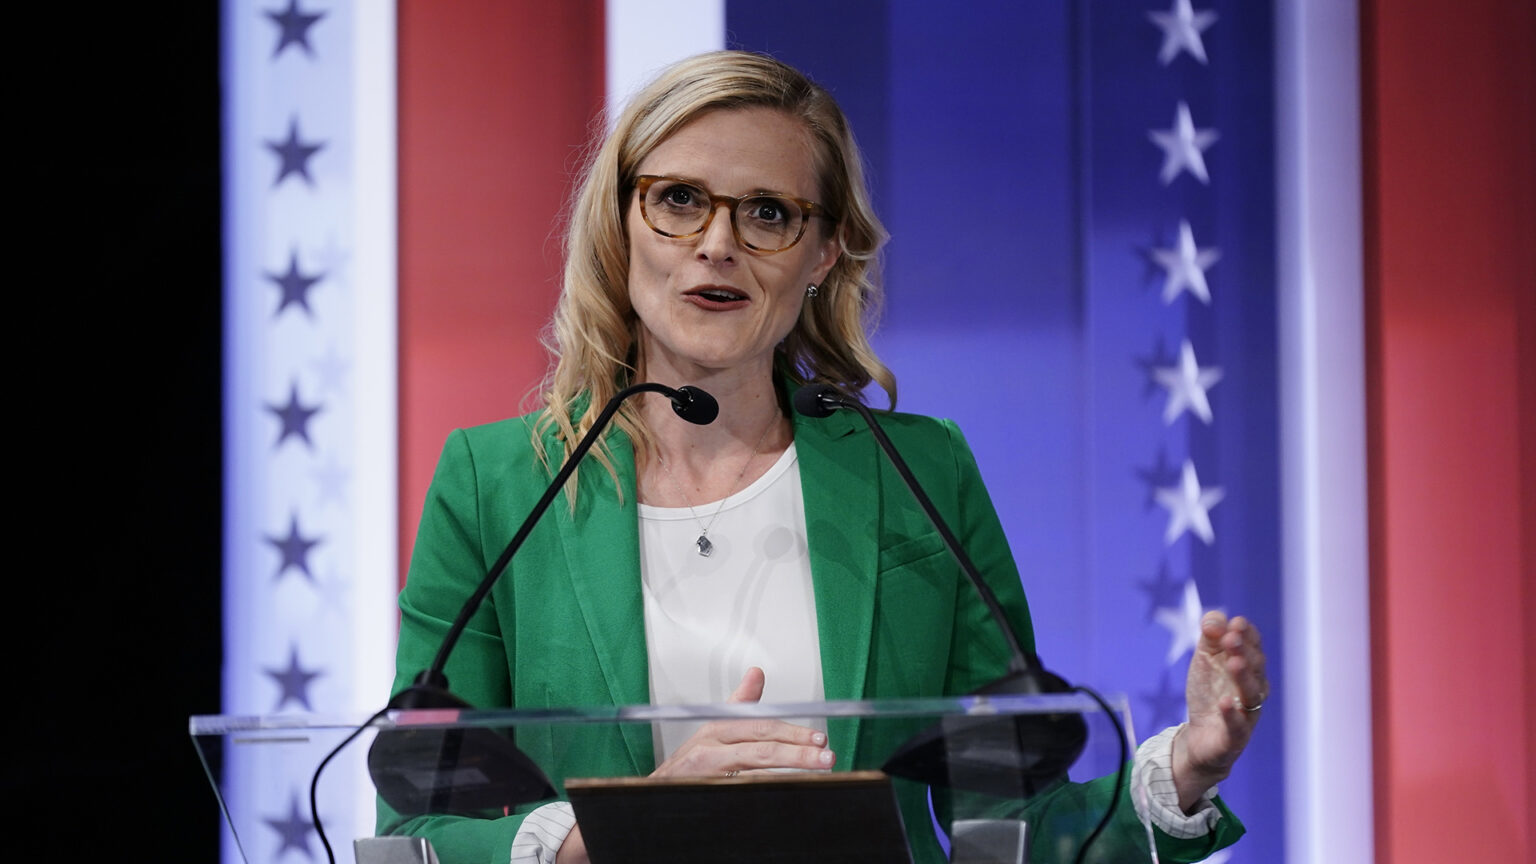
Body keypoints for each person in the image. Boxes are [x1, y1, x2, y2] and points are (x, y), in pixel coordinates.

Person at [380, 50, 1268, 863]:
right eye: (679, 199)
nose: (718, 243)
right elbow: (415, 827)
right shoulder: (495, 488)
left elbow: (1008, 821)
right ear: (622, 226)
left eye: (769, 212)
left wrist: (1183, 769)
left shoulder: (918, 472)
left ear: (822, 253)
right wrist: (620, 831)